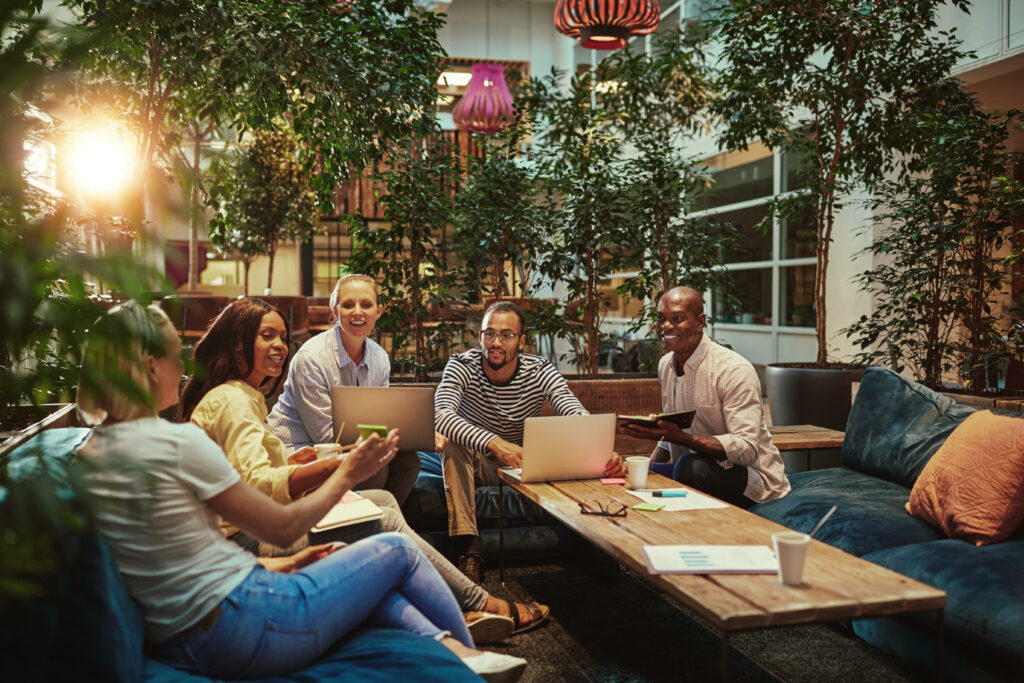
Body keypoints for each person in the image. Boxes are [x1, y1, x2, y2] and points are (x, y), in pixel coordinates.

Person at [74, 300, 527, 681]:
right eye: (176, 355)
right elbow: (281, 522)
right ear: (149, 366)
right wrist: (347, 472)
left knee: (369, 569)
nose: (184, 364)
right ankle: (467, 658)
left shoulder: (90, 455)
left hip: (189, 636)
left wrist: (284, 562)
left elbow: (179, 553)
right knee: (396, 550)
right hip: (241, 624)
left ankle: (459, 654)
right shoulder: (177, 442)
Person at [180, 297, 541, 642]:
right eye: (266, 335)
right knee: (381, 522)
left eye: (281, 336)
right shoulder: (234, 400)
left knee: (381, 497)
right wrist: (340, 467)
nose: (279, 346)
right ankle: (482, 604)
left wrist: (292, 461)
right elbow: (257, 485)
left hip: (254, 523)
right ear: (239, 345)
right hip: (244, 540)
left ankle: (450, 605)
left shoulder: (243, 396)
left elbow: (236, 473)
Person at [436, 300, 626, 585]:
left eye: (507, 335)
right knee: (452, 443)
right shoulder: (460, 366)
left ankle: (598, 541)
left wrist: (601, 450)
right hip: (477, 464)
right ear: (480, 337)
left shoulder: (539, 370)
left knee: (576, 448)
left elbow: (573, 411)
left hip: (523, 466)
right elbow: (441, 415)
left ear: (522, 341)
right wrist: (494, 443)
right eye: (489, 333)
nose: (496, 342)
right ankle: (469, 551)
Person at [618, 287, 790, 508]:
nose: (666, 327)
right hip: (690, 467)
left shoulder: (733, 369)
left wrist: (683, 439)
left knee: (691, 467)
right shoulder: (666, 365)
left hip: (754, 479)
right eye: (661, 319)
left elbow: (746, 449)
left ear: (700, 322)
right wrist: (647, 467)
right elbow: (671, 434)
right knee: (629, 473)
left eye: (677, 319)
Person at [267, 274, 422, 506]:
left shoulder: (379, 357)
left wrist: (411, 435)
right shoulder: (311, 358)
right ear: (336, 311)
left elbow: (382, 419)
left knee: (409, 461)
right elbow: (327, 438)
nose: (357, 312)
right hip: (301, 454)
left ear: (378, 312)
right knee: (373, 467)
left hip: (348, 448)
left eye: (366, 305)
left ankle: (375, 520)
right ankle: (360, 526)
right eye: (348, 305)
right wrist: (376, 445)